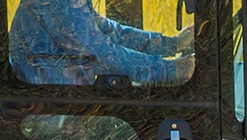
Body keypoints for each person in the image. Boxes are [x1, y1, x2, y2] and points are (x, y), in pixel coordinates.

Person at [10, 0, 195, 86]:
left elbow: (110, 32)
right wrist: (171, 70)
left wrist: (172, 44)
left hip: (64, 96)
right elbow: (100, 55)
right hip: (50, 108)